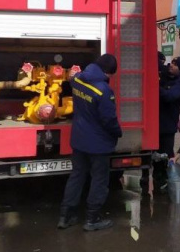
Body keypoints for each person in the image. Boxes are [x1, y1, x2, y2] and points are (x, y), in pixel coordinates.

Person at [58, 54, 122, 231]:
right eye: (111, 75)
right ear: (107, 72)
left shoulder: (78, 80)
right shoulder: (103, 90)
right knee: (99, 180)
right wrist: (118, 132)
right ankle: (92, 219)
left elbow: (71, 79)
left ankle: (65, 217)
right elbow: (108, 119)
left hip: (79, 140)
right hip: (98, 144)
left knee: (77, 176)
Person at [153, 56, 180, 191]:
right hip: (156, 123)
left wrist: (155, 85)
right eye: (171, 63)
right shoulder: (167, 75)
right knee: (155, 155)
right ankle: (158, 180)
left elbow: (169, 97)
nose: (171, 66)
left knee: (165, 155)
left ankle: (166, 181)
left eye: (175, 65)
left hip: (167, 126)